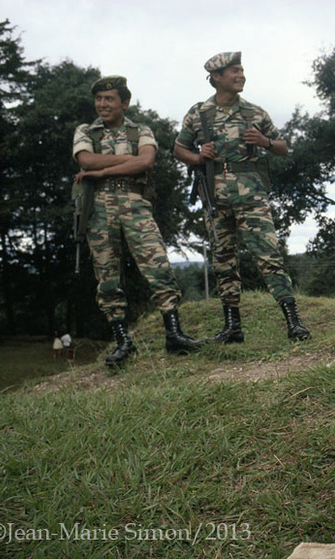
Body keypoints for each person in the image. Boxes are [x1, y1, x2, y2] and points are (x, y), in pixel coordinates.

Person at [174, 52, 310, 343]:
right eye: (234, 71)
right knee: (224, 261)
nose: (241, 75)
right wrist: (198, 157)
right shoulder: (198, 113)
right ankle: (232, 328)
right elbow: (178, 149)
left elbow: (283, 147)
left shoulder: (255, 113)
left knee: (269, 256)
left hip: (252, 195)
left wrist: (266, 142)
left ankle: (294, 322)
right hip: (214, 196)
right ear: (216, 78)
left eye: (242, 70)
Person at [73, 75, 202, 367]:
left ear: (124, 102)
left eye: (109, 99)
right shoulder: (85, 131)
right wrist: (124, 164)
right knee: (107, 275)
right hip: (98, 211)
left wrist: (103, 170)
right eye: (99, 99)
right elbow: (85, 161)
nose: (102, 105)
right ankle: (122, 341)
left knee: (158, 266)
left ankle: (174, 334)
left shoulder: (141, 130)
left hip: (136, 206)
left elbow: (146, 162)